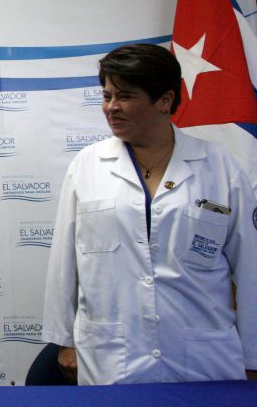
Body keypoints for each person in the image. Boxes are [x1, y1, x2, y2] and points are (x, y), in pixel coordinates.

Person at [42, 44, 257, 385]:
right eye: (107, 96)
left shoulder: (219, 167)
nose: (112, 107)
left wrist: (253, 354)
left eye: (125, 96)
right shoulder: (87, 165)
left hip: (203, 359)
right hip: (112, 358)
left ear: (165, 100)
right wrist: (64, 340)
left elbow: (251, 268)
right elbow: (63, 262)